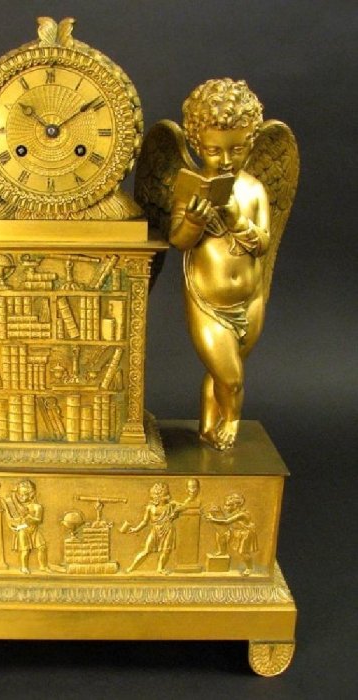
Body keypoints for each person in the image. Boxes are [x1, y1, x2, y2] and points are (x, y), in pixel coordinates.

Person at [169, 79, 269, 451]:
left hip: (251, 300)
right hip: (207, 301)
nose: (226, 160)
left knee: (222, 372)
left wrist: (236, 221)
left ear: (251, 142)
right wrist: (194, 222)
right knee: (231, 378)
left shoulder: (254, 190)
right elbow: (178, 240)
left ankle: (209, 427)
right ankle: (232, 420)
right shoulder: (192, 188)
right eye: (214, 151)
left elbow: (263, 243)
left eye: (237, 149)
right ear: (197, 145)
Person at [125, 482, 189, 575]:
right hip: (155, 530)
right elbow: (144, 522)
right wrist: (136, 529)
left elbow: (184, 507)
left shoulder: (170, 505)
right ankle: (131, 568)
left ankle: (160, 568)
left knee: (166, 551)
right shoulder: (150, 507)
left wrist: (174, 508)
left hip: (168, 528)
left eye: (165, 493)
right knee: (146, 551)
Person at [204, 492, 258, 576]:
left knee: (242, 552)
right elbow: (225, 518)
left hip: (245, 534)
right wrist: (217, 512)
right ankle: (222, 551)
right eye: (225, 505)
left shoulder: (242, 514)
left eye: (227, 505)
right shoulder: (233, 512)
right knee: (220, 533)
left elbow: (226, 521)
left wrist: (213, 519)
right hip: (235, 531)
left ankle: (249, 567)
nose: (225, 507)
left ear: (235, 506)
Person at [3, 479, 50, 574]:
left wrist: (28, 516)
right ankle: (24, 567)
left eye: (24, 494)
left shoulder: (37, 507)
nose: (21, 497)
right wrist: (14, 524)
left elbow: (39, 520)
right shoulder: (16, 507)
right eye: (19, 494)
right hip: (23, 529)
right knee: (25, 550)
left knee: (42, 547)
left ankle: (43, 566)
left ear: (31, 494)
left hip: (34, 529)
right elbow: (13, 519)